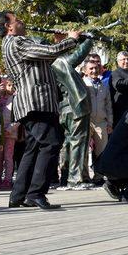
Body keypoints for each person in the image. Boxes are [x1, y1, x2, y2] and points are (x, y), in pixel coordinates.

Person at [0, 10, 81, 209]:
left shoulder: (13, 44)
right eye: (17, 19)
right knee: (51, 143)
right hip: (36, 102)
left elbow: (44, 59)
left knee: (33, 148)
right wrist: (70, 40)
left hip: (33, 103)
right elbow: (50, 53)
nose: (22, 21)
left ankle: (18, 195)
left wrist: (57, 42)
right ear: (9, 26)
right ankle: (35, 193)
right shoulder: (17, 42)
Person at [51, 34, 94, 189]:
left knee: (68, 143)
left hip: (64, 109)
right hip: (75, 108)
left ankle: (66, 177)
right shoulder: (58, 62)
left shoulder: (48, 65)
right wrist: (89, 39)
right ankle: (76, 179)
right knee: (77, 142)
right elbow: (78, 55)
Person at [83, 60, 114, 183]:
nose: (94, 71)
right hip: (86, 121)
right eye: (91, 68)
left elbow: (108, 105)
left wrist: (110, 123)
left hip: (101, 122)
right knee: (84, 151)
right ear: (85, 71)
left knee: (102, 151)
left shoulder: (104, 85)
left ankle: (99, 176)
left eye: (96, 68)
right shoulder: (83, 84)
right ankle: (84, 177)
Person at [0, 76, 18, 191]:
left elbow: (19, 117)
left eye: (13, 85)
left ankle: (8, 179)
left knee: (8, 157)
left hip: (10, 133)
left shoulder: (16, 98)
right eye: (9, 85)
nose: (11, 88)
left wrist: (12, 127)